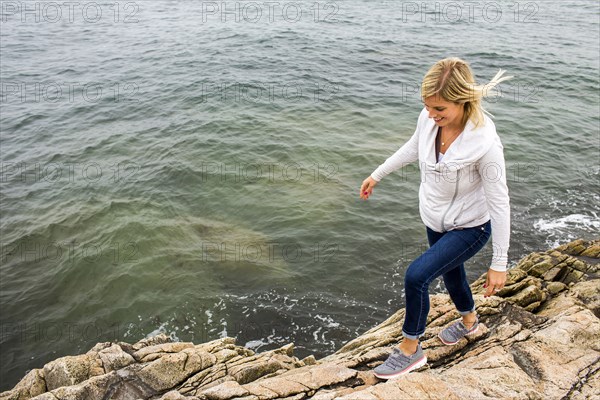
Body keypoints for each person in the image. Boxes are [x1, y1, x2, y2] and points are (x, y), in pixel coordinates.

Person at [359, 57, 512, 380]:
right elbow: (413, 147)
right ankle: (470, 324)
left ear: (463, 101)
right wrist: (378, 174)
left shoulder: (485, 145)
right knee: (452, 276)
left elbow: (500, 202)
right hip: (435, 218)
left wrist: (499, 262)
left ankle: (410, 350)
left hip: (471, 226)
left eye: (439, 109)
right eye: (427, 107)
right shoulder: (429, 120)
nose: (431, 115)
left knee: (417, 276)